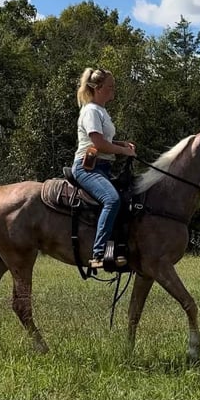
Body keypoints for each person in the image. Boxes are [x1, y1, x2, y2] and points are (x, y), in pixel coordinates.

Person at [71, 67, 136, 269]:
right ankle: (97, 254)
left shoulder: (101, 111)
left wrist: (121, 143)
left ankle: (118, 248)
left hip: (102, 167)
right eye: (110, 86)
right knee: (112, 199)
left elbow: (105, 140)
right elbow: (98, 144)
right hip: (87, 168)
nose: (113, 89)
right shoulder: (91, 111)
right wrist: (123, 151)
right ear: (98, 88)